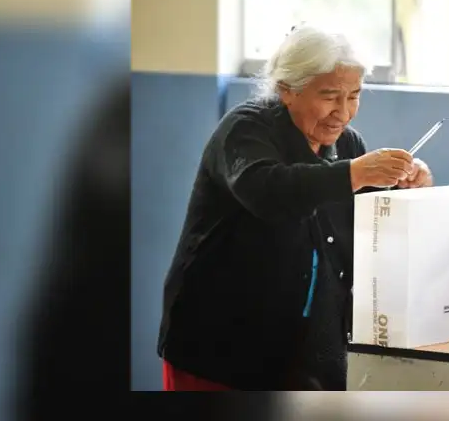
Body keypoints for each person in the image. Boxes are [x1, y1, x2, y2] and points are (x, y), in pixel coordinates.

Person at [157, 26, 433, 391]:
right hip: (218, 342)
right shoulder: (246, 129)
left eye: (354, 96)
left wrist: (407, 187)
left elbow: (367, 229)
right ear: (288, 89)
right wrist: (355, 173)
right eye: (330, 96)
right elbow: (268, 191)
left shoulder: (348, 145)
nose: (344, 112)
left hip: (306, 348)